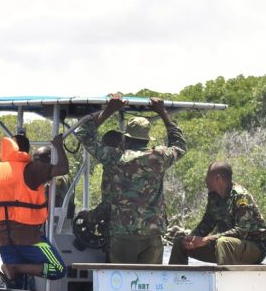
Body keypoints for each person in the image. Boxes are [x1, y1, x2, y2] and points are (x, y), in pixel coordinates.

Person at [76, 93, 186, 264]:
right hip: (152, 233)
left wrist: (109, 110)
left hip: (122, 233)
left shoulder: (114, 157)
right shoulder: (159, 157)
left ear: (126, 138)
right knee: (150, 284)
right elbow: (180, 145)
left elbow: (84, 134)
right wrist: (163, 113)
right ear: (147, 138)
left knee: (120, 284)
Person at [0, 132, 69, 289]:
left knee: (17, 284)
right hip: (30, 238)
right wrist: (58, 146)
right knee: (58, 269)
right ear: (25, 150)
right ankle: (16, 268)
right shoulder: (31, 170)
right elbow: (63, 168)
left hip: (2, 238)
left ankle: (13, 273)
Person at [168, 162, 266, 266]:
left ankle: (225, 280)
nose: (205, 180)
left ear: (218, 179)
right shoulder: (214, 196)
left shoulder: (241, 196)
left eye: (207, 176)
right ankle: (174, 281)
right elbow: (207, 223)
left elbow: (242, 230)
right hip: (224, 245)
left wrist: (206, 240)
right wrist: (192, 238)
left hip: (255, 247)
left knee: (223, 243)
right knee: (180, 242)